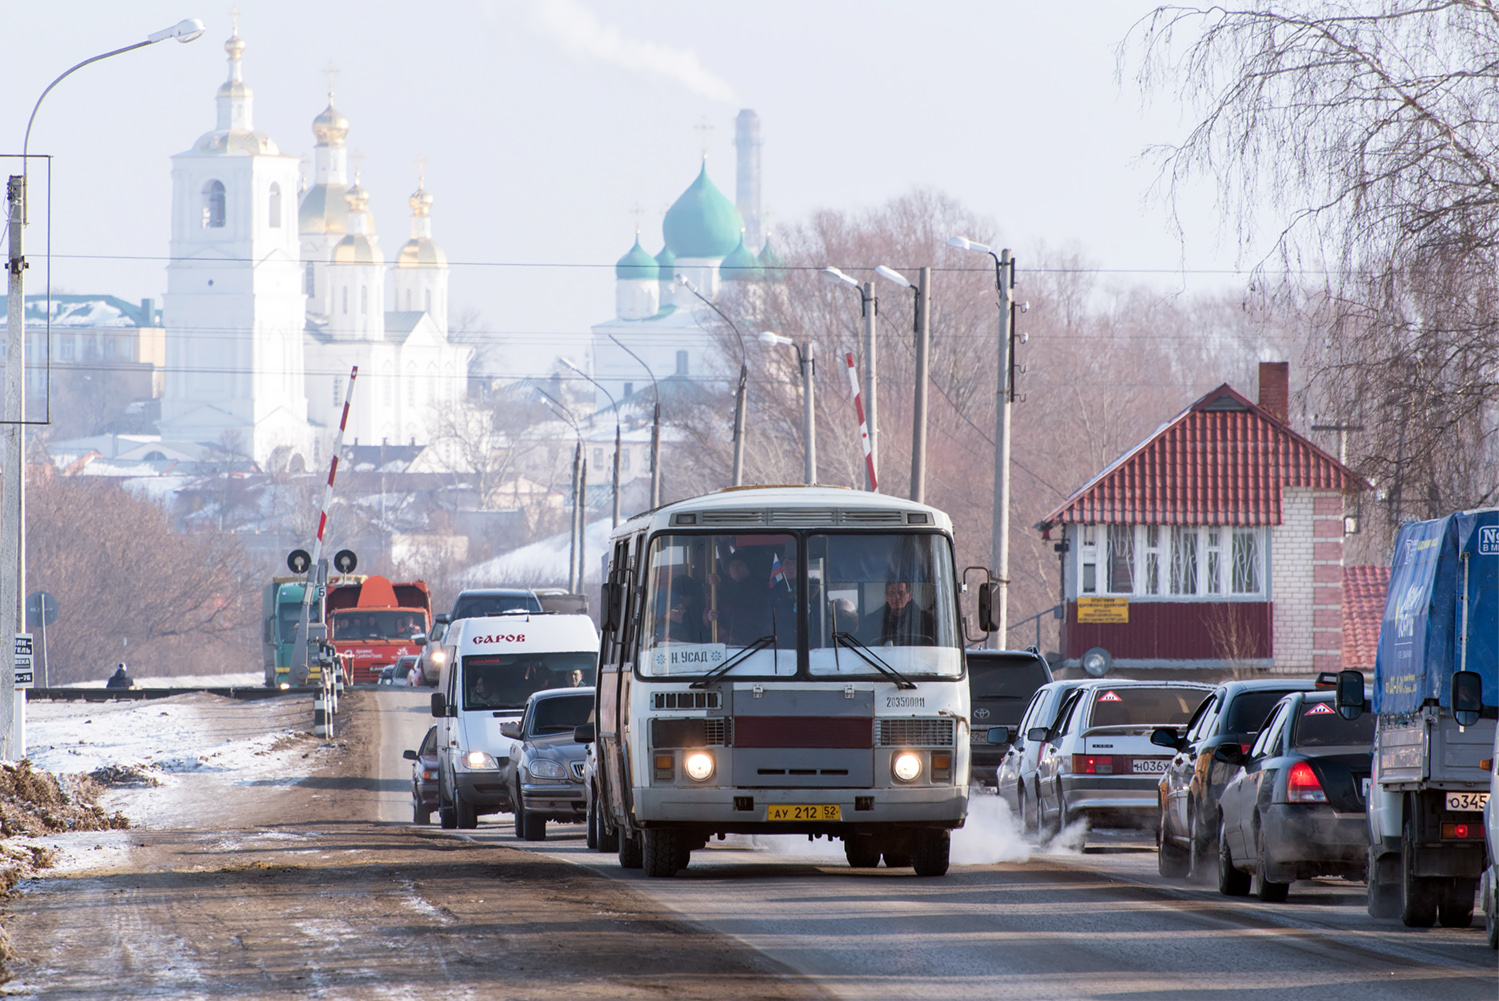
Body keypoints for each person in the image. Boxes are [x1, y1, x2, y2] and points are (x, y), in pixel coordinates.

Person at [860, 581, 936, 646]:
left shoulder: (925, 620)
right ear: (886, 597)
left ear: (909, 596)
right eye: (892, 593)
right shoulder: (872, 621)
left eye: (901, 593)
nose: (896, 597)